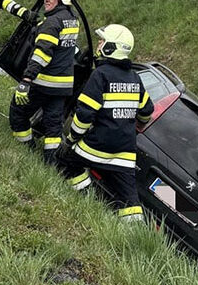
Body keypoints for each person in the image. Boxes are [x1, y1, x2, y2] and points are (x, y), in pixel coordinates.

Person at [57, 24, 154, 222]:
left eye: (102, 41)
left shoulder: (100, 75)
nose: (99, 44)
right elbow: (147, 111)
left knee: (67, 162)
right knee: (129, 199)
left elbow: (85, 115)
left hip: (98, 145)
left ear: (111, 47)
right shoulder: (135, 78)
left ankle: (87, 199)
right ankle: (135, 232)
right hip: (125, 152)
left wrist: (71, 139)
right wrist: (139, 124)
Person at [9, 0, 79, 163]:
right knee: (53, 126)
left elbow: (42, 54)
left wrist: (26, 81)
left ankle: (26, 149)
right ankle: (51, 162)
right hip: (62, 86)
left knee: (18, 112)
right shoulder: (73, 20)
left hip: (43, 83)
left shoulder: (51, 23)